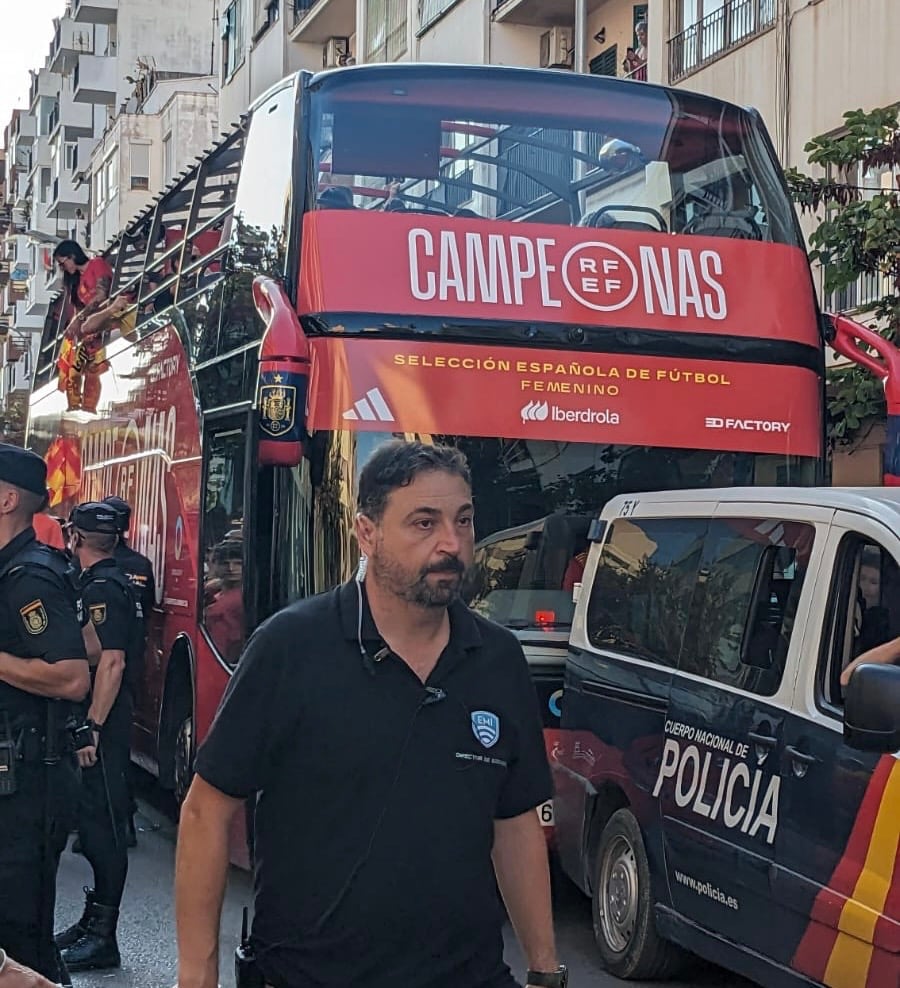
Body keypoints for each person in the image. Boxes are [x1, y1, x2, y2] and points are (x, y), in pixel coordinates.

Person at [175, 440, 565, 988]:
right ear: (367, 533)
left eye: (463, 520)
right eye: (424, 524)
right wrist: (197, 974)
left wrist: (546, 971)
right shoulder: (291, 647)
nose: (451, 544)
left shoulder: (497, 659)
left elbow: (516, 821)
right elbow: (206, 812)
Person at [0, 444, 89, 982]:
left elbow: (74, 675)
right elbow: (93, 642)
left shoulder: (28, 577)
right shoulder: (23, 568)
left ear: (7, 499)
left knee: (19, 933)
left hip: (28, 781)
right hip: (17, 774)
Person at [55, 503, 143, 972]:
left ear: (75, 536)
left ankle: (103, 936)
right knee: (90, 826)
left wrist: (92, 726)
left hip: (102, 722)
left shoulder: (105, 586)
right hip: (102, 718)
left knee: (104, 829)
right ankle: (92, 923)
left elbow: (111, 661)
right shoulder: (113, 579)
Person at [102, 494, 155, 846]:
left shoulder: (96, 566)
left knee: (99, 747)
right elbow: (147, 610)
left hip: (100, 669)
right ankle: (124, 815)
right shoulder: (140, 564)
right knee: (119, 745)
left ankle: (105, 818)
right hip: (131, 662)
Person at [52, 240, 114, 413]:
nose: (63, 267)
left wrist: (80, 318)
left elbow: (102, 295)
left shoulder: (97, 264)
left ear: (72, 256)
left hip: (108, 322)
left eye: (63, 263)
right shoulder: (77, 285)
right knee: (76, 371)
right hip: (92, 335)